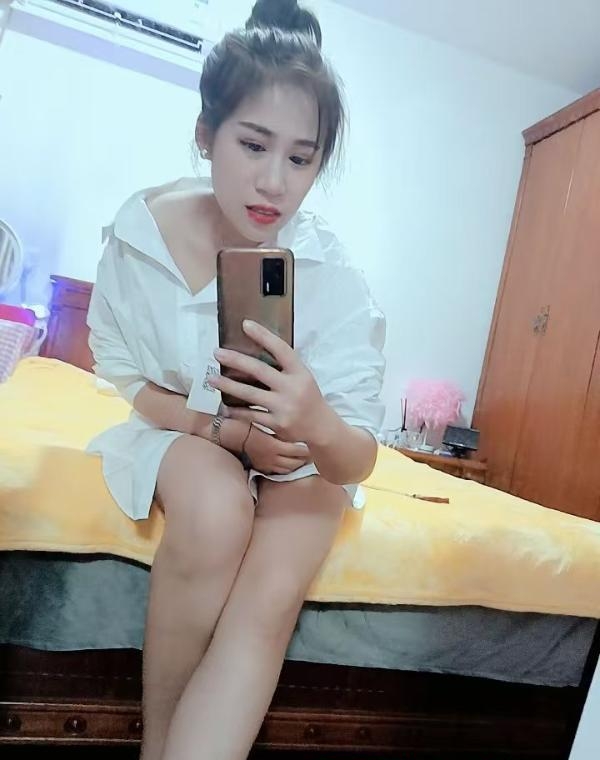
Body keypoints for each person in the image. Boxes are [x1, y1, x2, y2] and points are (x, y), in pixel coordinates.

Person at [86, 1, 386, 758]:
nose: (273, 181)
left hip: (305, 461)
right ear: (205, 134)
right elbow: (121, 372)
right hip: (193, 434)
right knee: (217, 510)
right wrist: (222, 431)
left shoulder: (332, 278)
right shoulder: (141, 239)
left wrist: (315, 419)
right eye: (253, 144)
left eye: (301, 158)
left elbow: (357, 457)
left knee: (268, 602)